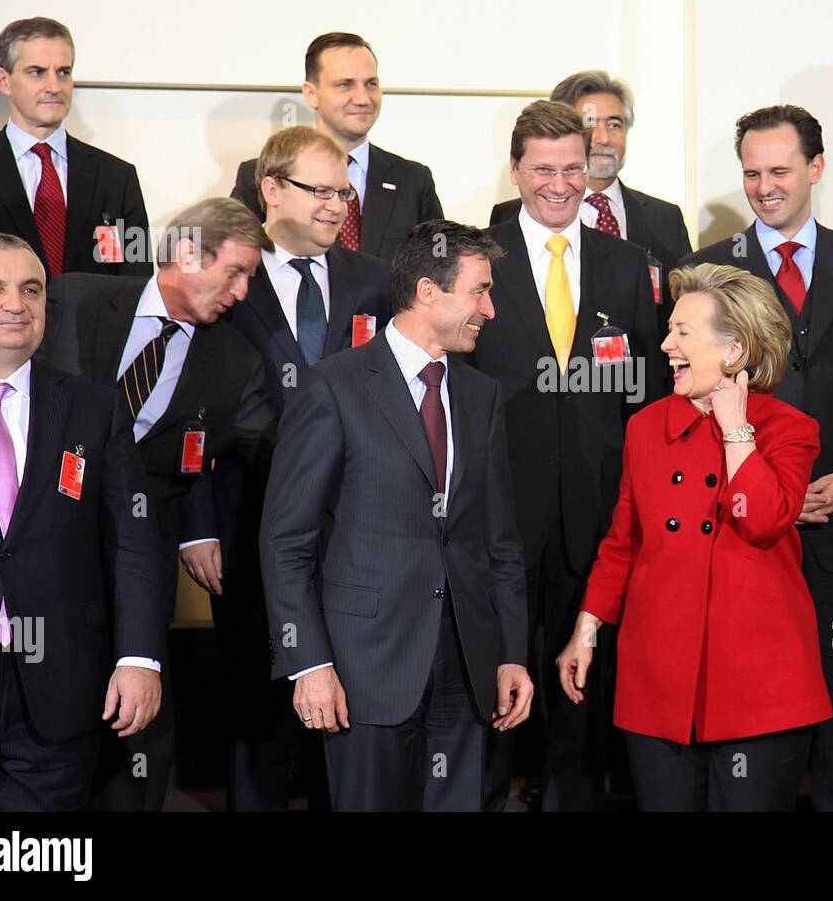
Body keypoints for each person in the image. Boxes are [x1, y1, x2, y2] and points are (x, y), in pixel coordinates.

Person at [684, 104, 833, 811]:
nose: (764, 187)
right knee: (752, 716)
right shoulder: (709, 270)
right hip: (744, 532)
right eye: (751, 174)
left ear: (816, 169)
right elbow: (692, 400)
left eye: (779, 171)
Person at [259, 220, 533, 811]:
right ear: (429, 292)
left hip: (468, 668)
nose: (491, 309)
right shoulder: (332, 387)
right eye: (479, 291)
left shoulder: (482, 395)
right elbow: (286, 542)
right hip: (364, 670)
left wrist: (511, 653)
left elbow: (500, 543)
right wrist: (309, 662)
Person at [556, 262, 831, 810]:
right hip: (658, 676)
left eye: (682, 332)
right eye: (669, 330)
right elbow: (623, 543)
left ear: (734, 350)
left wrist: (735, 430)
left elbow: (765, 518)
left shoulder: (789, 429)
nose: (665, 345)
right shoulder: (645, 426)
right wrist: (585, 630)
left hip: (758, 681)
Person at [38, 197, 276, 810]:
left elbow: (283, 450)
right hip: (35, 550)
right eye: (237, 272)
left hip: (135, 565)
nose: (243, 293)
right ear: (189, 252)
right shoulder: (69, 301)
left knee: (140, 726)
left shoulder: (237, 365)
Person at [474, 99, 664, 811]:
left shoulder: (630, 264)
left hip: (599, 522)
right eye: (543, 169)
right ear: (516, 169)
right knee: (491, 693)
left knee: (582, 701)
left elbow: (644, 401)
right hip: (495, 519)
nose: (559, 184)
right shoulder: (474, 255)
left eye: (573, 169)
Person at [0, 233, 166, 811]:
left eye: (31, 289)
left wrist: (139, 658)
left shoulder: (94, 407)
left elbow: (133, 542)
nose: (16, 303)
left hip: (60, 683)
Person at [217, 126, 392, 809]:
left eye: (342, 193)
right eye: (318, 191)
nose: (334, 206)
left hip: (354, 529)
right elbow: (196, 408)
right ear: (270, 189)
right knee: (255, 708)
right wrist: (196, 528)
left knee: (339, 701)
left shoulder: (375, 281)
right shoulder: (231, 275)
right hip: (246, 521)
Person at [0, 18, 151, 354]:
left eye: (64, 72)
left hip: (93, 369)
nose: (54, 85)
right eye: (37, 72)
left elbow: (135, 282)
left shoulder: (116, 177)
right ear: (4, 80)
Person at [231, 32, 442, 260]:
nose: (363, 98)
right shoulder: (262, 175)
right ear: (311, 95)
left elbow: (440, 265)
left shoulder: (413, 181)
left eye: (371, 84)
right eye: (345, 85)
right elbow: (227, 255)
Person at [491, 70, 691, 306]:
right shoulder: (510, 216)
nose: (603, 138)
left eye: (615, 124)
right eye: (589, 124)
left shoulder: (666, 219)